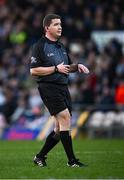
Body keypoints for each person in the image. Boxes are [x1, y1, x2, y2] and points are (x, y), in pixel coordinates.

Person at [30, 14, 89, 167]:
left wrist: (78, 66)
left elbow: (67, 68)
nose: (60, 27)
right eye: (56, 24)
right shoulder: (39, 46)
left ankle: (40, 157)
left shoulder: (60, 46)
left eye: (60, 24)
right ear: (47, 28)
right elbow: (34, 71)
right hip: (48, 87)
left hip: (63, 87)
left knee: (58, 129)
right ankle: (72, 161)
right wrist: (56, 68)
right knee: (65, 119)